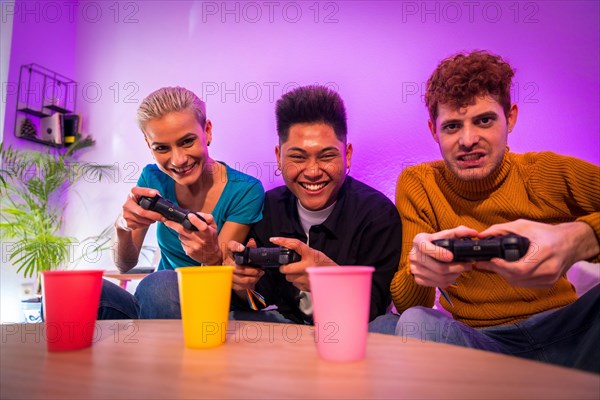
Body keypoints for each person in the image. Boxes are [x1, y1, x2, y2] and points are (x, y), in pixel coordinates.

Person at [372, 51, 600, 373]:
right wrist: (420, 272)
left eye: (484, 120)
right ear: (434, 131)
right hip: (479, 345)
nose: (468, 140)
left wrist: (579, 239)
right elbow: (413, 305)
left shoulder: (545, 171)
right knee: (399, 323)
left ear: (511, 117)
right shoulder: (419, 183)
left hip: (567, 330)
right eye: (452, 126)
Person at [227, 85, 403, 325]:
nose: (312, 172)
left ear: (347, 155)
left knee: (387, 326)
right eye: (298, 157)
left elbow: (375, 310)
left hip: (349, 335)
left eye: (327, 156)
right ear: (279, 157)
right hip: (285, 332)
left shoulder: (378, 215)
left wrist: (328, 279)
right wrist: (241, 285)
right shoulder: (268, 207)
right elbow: (259, 301)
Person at [98, 86, 264, 319]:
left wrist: (210, 254)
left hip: (205, 304)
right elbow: (124, 265)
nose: (178, 160)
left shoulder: (245, 190)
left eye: (187, 142)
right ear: (149, 145)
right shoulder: (152, 178)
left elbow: (219, 278)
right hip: (156, 302)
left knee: (161, 285)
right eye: (162, 148)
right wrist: (122, 227)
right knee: (87, 291)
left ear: (207, 131)